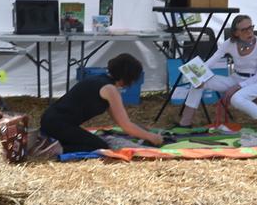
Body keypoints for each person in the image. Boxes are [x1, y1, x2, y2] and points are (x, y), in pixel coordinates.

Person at [33, 53, 163, 157]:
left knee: (88, 140)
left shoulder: (100, 81)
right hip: (58, 124)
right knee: (99, 146)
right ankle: (55, 149)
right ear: (128, 77)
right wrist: (152, 137)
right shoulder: (110, 90)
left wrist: (142, 130)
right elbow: (126, 126)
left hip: (51, 120)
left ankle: (50, 141)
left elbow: (120, 121)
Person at [178, 15, 257, 135]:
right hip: (236, 78)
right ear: (236, 33)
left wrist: (238, 86)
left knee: (236, 99)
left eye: (251, 27)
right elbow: (212, 60)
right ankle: (185, 122)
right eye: (244, 30)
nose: (249, 32)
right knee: (199, 82)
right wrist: (196, 73)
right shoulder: (229, 44)